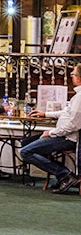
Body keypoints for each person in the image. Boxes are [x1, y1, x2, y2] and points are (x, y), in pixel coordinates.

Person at [23, 63, 81, 193]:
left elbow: (73, 125)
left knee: (25, 151)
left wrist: (51, 132)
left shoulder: (80, 97)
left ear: (78, 77)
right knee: (26, 142)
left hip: (66, 137)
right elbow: (66, 113)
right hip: (61, 134)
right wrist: (45, 114)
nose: (71, 76)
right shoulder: (77, 96)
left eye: (73, 74)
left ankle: (65, 175)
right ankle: (63, 176)